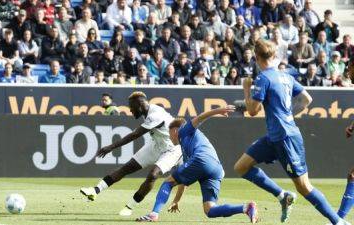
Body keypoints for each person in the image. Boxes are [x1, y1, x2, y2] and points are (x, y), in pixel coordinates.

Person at [233, 39, 351, 225]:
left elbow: (253, 110)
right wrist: (289, 115)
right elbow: (306, 99)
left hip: (286, 139)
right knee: (241, 167)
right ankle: (282, 195)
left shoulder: (263, 78)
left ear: (256, 58)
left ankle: (338, 222)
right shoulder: (286, 76)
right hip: (275, 136)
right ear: (274, 55)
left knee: (304, 187)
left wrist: (246, 89)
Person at [136, 106, 259, 223]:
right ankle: (246, 208)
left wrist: (217, 111)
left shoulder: (184, 130)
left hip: (202, 159)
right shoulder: (185, 149)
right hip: (216, 169)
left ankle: (154, 214)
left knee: (167, 182)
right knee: (209, 210)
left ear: (175, 131)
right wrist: (176, 200)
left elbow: (200, 118)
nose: (169, 137)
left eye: (169, 133)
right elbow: (183, 180)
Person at [80, 91, 182, 217]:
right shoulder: (149, 110)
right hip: (156, 145)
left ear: (140, 105)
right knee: (127, 168)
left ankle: (130, 206)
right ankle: (95, 190)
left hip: (172, 149)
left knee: (153, 175)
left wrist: (111, 147)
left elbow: (135, 135)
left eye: (131, 107)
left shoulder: (155, 115)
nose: (130, 110)